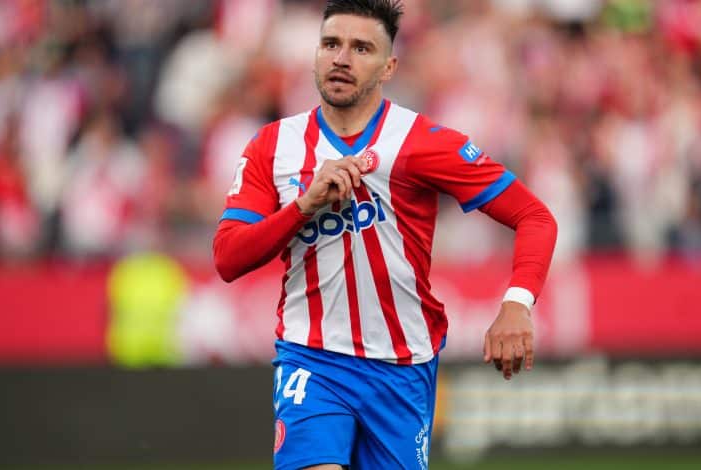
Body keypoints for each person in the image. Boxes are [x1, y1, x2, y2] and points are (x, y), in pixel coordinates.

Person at [212, 1, 557, 468]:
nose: (341, 58)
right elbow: (228, 257)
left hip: (401, 367)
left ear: (389, 66)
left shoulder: (422, 141)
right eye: (330, 44)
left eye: (361, 48)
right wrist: (303, 206)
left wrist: (517, 303)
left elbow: (534, 216)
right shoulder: (273, 147)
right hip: (312, 358)